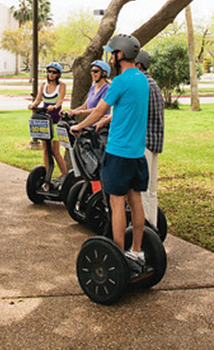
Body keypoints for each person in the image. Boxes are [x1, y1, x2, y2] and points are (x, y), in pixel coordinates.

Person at [70, 34, 150, 277]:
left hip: (117, 152)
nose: (110, 56)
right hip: (137, 153)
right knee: (135, 200)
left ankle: (118, 254)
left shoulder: (120, 81)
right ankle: (136, 251)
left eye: (112, 53)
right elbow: (124, 110)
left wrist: (80, 126)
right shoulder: (142, 79)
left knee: (116, 203)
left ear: (119, 55)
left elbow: (101, 108)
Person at [135, 50, 164, 229]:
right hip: (154, 142)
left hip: (143, 142)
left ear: (138, 65)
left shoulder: (142, 84)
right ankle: (152, 227)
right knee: (151, 191)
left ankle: (144, 232)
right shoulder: (154, 84)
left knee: (142, 191)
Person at [28, 61, 68, 177]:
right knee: (45, 149)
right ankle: (47, 175)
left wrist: (55, 106)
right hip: (44, 120)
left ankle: (65, 175)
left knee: (55, 151)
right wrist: (33, 105)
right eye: (49, 71)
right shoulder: (43, 85)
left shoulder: (62, 86)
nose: (51, 74)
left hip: (55, 120)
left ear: (58, 74)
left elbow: (60, 101)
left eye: (54, 72)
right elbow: (38, 100)